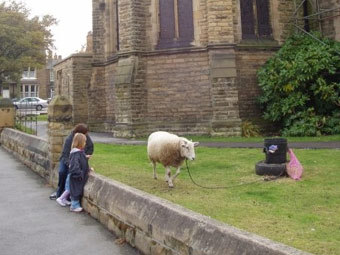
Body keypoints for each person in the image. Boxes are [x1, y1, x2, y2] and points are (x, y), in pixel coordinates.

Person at [49, 123, 93, 200]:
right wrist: (70, 164)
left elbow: (90, 148)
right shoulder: (69, 140)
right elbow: (65, 155)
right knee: (62, 172)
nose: (87, 135)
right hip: (67, 160)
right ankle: (59, 193)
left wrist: (84, 158)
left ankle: (69, 196)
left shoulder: (86, 137)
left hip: (78, 159)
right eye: (85, 133)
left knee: (74, 174)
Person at [57, 133, 91, 212]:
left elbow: (83, 163)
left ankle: (65, 200)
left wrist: (88, 168)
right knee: (75, 190)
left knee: (72, 189)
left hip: (77, 175)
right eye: (84, 142)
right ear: (80, 143)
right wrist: (79, 173)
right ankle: (74, 205)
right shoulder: (76, 153)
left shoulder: (79, 152)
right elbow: (75, 166)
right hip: (76, 176)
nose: (85, 143)